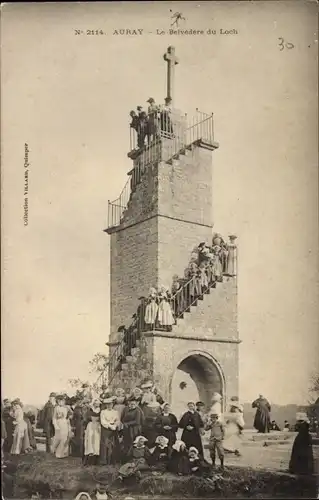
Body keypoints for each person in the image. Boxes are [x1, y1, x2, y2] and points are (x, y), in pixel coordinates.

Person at [140, 381, 162, 447]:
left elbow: (154, 403)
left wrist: (149, 403)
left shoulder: (152, 395)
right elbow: (141, 402)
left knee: (152, 423)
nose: (146, 390)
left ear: (150, 389)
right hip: (145, 408)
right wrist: (144, 402)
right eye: (145, 389)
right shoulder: (144, 395)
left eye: (148, 388)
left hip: (151, 408)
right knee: (144, 421)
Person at [99, 396, 120, 465]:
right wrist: (110, 426)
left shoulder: (115, 412)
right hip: (106, 429)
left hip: (114, 429)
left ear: (113, 404)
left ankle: (112, 460)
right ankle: (104, 461)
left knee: (113, 444)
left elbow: (117, 420)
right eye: (107, 404)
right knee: (105, 444)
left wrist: (115, 425)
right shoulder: (103, 412)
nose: (109, 406)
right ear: (105, 405)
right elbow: (103, 421)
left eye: (110, 404)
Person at [83, 399, 101, 466]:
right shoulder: (89, 410)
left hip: (97, 426)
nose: (97, 404)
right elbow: (85, 419)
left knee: (96, 441)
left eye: (98, 403)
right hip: (90, 426)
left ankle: (95, 458)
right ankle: (88, 458)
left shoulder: (100, 410)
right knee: (90, 441)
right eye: (95, 403)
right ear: (93, 404)